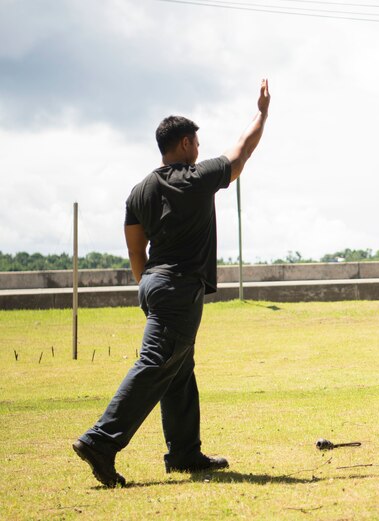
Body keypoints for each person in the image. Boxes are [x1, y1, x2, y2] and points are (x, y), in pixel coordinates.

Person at [73, 79, 271, 487]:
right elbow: (242, 150)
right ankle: (100, 441)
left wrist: (147, 288)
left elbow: (134, 250)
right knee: (155, 364)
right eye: (196, 142)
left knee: (178, 367)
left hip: (153, 281)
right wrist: (262, 113)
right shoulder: (197, 178)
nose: (199, 149)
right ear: (184, 143)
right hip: (179, 287)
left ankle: (184, 453)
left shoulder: (139, 190)